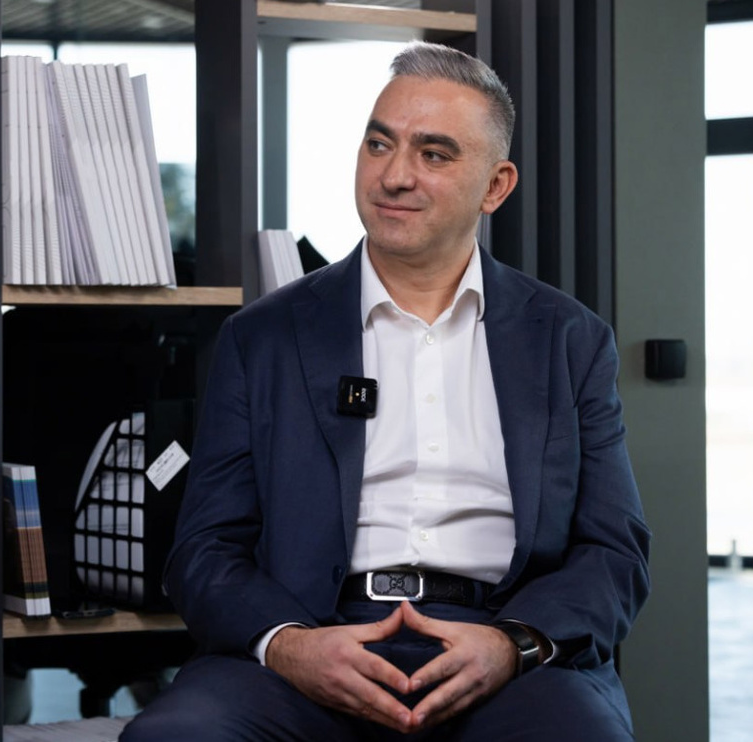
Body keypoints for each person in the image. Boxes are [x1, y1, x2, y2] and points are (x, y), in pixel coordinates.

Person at [120, 42, 651, 741]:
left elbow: (614, 551)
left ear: (495, 186)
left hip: (499, 647)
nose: (395, 175)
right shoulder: (264, 337)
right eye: (379, 144)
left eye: (434, 154)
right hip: (315, 639)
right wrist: (289, 645)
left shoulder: (568, 341)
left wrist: (512, 645)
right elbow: (204, 549)